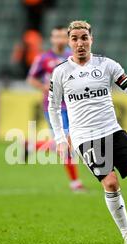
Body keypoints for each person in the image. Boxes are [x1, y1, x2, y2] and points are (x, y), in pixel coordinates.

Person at [48, 21, 127, 244]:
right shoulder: (61, 72)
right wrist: (60, 138)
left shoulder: (107, 65)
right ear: (69, 42)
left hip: (112, 130)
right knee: (111, 183)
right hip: (85, 137)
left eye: (84, 38)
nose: (80, 43)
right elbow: (53, 107)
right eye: (75, 38)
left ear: (91, 40)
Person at [27, 25, 84, 192]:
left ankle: (32, 146)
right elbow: (31, 79)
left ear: (66, 39)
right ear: (51, 39)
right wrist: (45, 87)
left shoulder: (73, 57)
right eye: (56, 37)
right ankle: (75, 183)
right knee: (66, 142)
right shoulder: (43, 58)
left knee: (70, 142)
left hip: (74, 104)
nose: (59, 40)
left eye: (62, 36)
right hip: (54, 106)